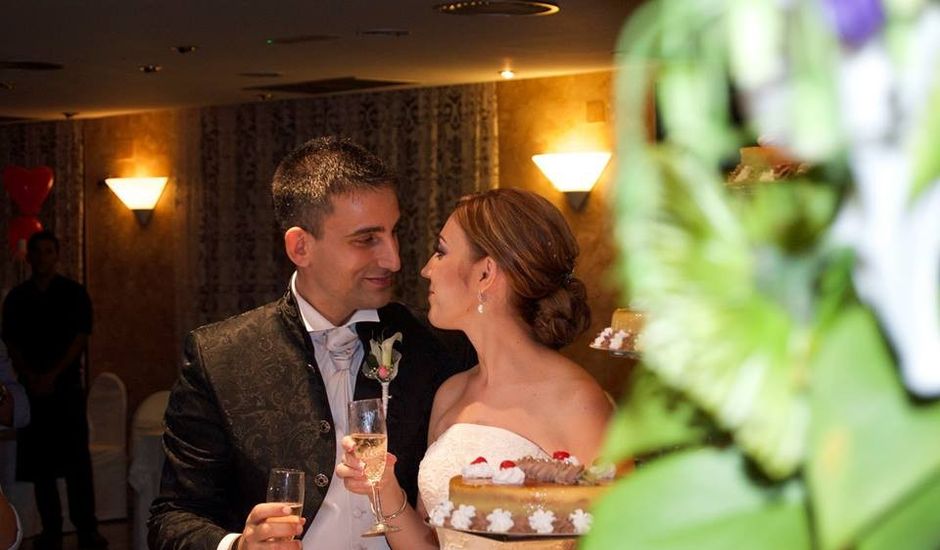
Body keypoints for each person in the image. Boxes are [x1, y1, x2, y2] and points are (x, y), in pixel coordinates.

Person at [148, 136, 475, 550]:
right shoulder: (221, 356)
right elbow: (172, 517)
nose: (394, 258)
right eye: (366, 239)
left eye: (394, 233)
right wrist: (238, 545)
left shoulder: (439, 347)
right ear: (300, 246)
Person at [337, 188, 613, 549]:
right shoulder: (451, 393)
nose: (425, 269)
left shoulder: (578, 401)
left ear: (485, 274)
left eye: (441, 251)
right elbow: (433, 544)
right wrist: (384, 486)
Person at [1, 232, 107, 550]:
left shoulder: (73, 293)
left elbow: (80, 337)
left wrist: (53, 374)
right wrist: (32, 376)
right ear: (29, 257)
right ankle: (51, 529)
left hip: (66, 389)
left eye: (49, 251)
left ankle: (87, 528)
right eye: (38, 252)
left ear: (57, 255)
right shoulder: (17, 298)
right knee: (41, 465)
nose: (43, 257)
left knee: (76, 463)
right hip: (32, 391)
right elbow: (11, 342)